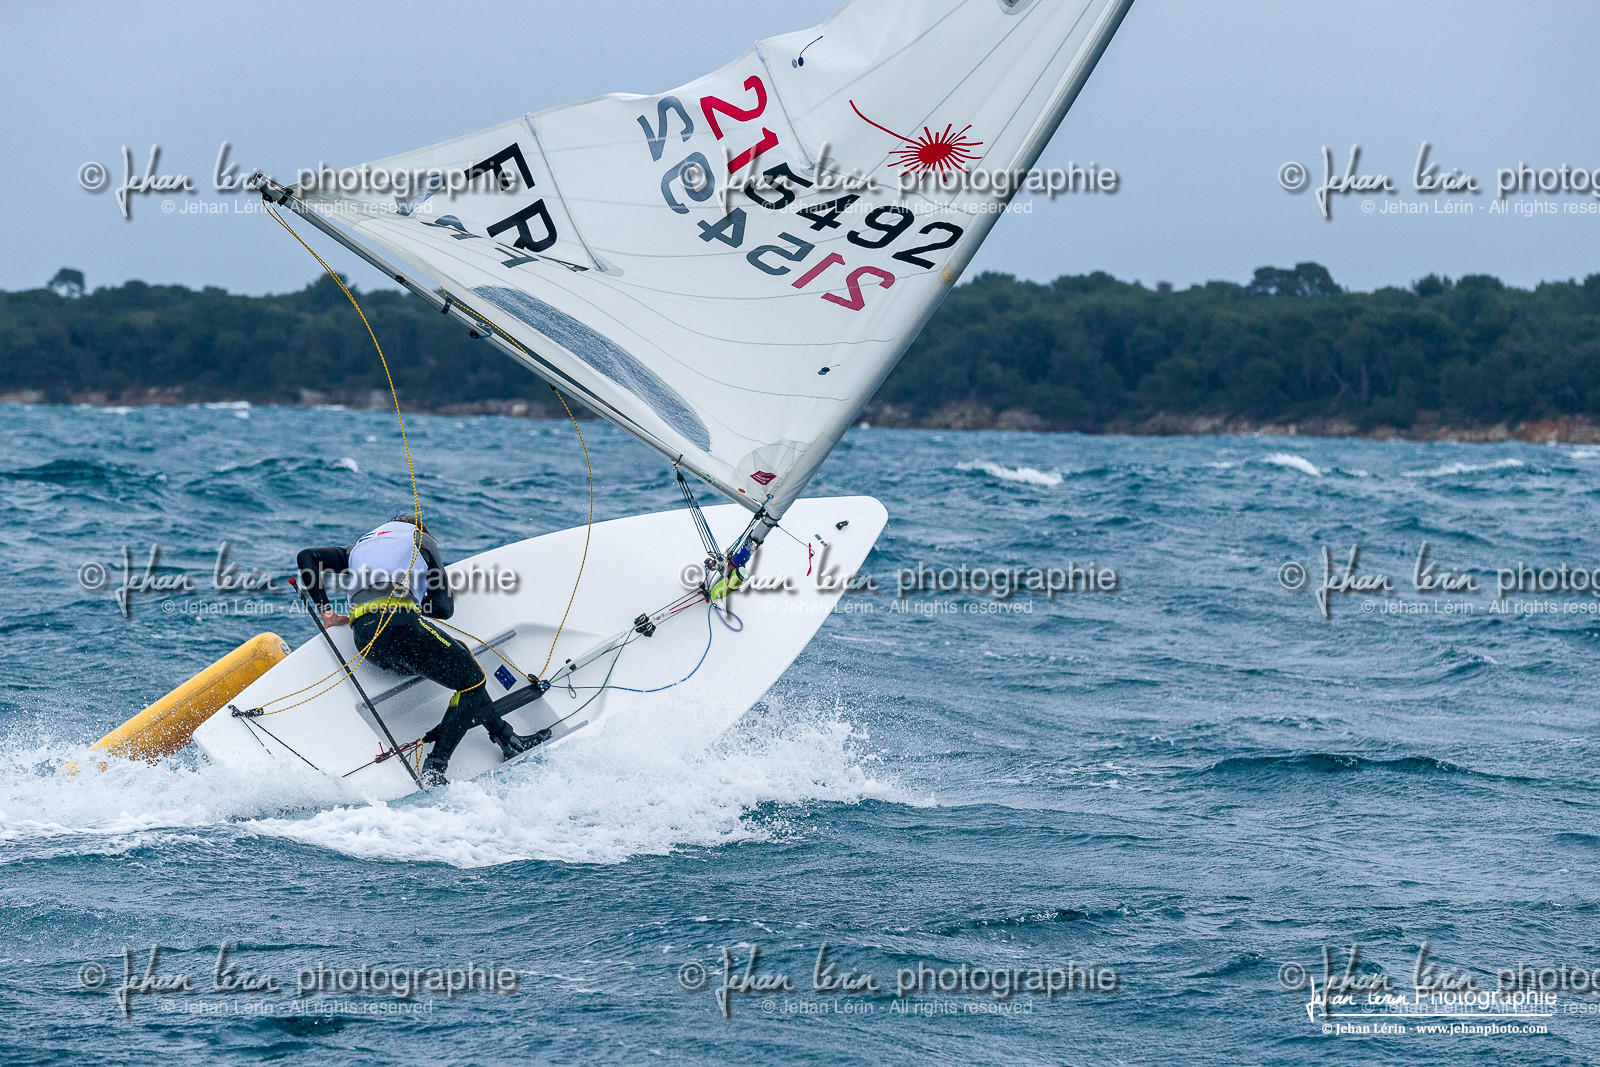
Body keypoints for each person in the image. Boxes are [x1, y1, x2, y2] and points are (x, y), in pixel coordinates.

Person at [296, 514, 542, 786]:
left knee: (460, 657)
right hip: (401, 627)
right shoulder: (421, 541)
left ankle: (508, 739)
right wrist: (415, 595)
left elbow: (307, 556)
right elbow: (444, 609)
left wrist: (326, 611)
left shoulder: (358, 547)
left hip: (365, 640)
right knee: (473, 681)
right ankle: (436, 767)